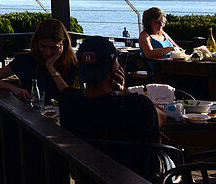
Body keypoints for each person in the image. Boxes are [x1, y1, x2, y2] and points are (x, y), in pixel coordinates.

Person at [59, 36, 163, 178]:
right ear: (115, 67)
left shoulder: (68, 102)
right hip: (136, 178)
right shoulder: (137, 105)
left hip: (88, 178)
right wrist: (123, 90)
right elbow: (161, 116)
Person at [0, 18, 77, 103]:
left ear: (62, 45)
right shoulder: (26, 60)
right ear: (36, 43)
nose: (47, 52)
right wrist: (12, 88)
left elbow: (68, 96)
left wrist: (51, 68)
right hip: (31, 116)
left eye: (53, 48)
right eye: (43, 46)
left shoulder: (71, 63)